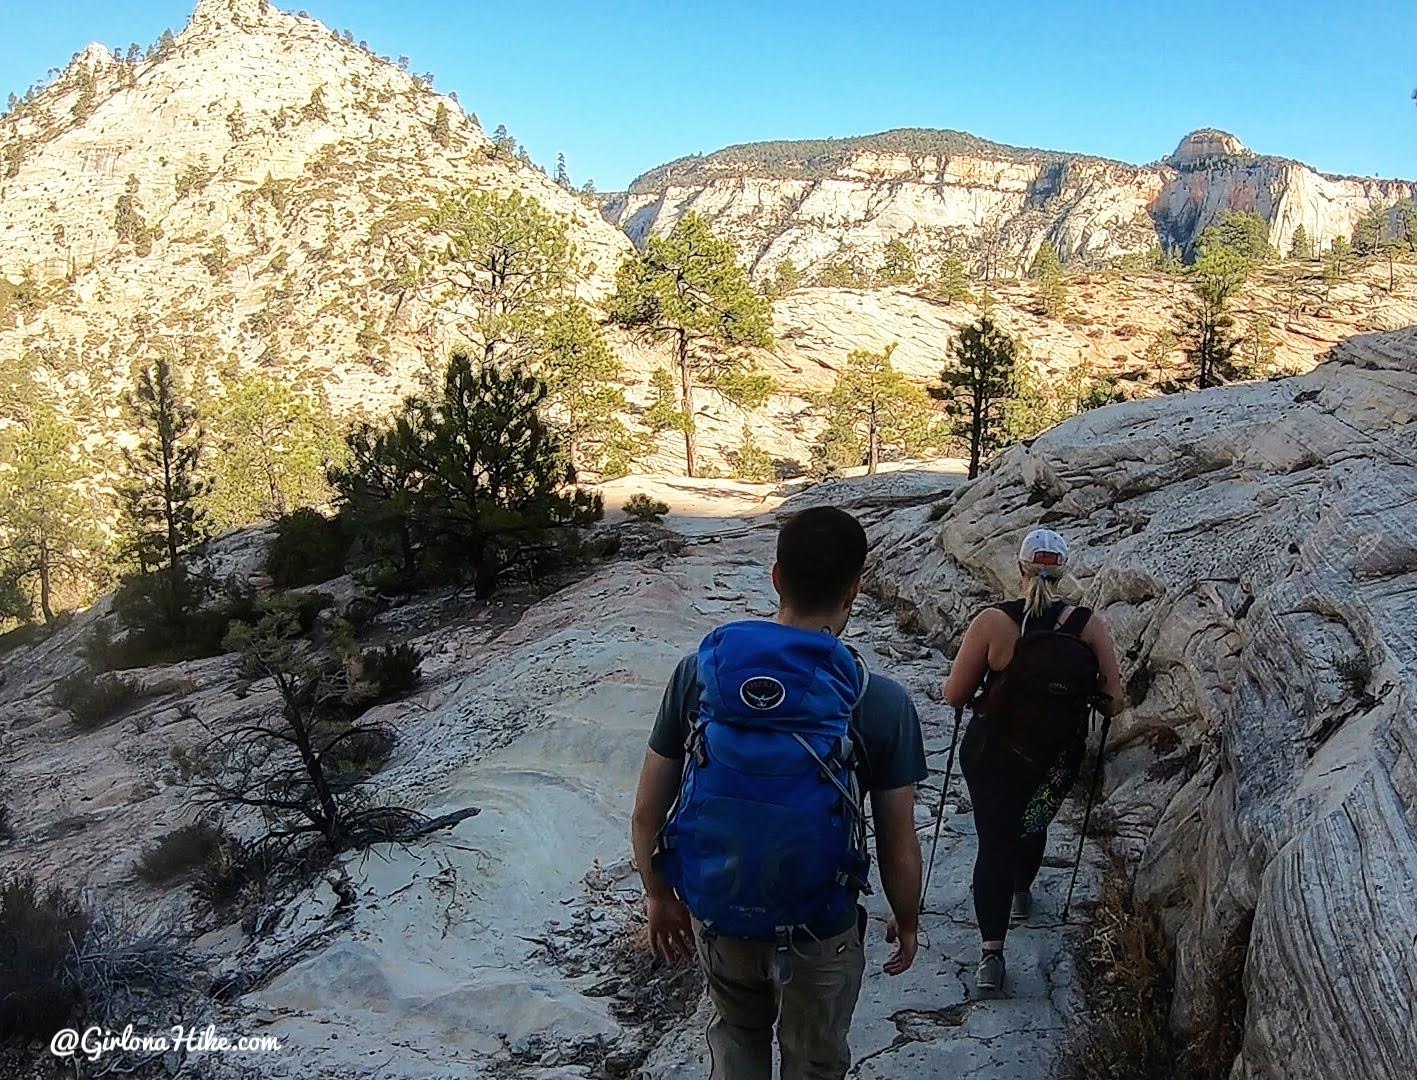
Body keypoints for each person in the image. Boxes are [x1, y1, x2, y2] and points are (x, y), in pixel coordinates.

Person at [630, 505, 926, 1080]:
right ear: (854, 591)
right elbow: (898, 842)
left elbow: (648, 811)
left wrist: (659, 894)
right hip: (822, 923)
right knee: (814, 1061)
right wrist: (907, 917)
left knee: (738, 1036)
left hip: (719, 909)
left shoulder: (701, 675)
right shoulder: (879, 699)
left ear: (775, 577)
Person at [943, 527, 1124, 993]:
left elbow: (956, 694)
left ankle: (991, 956)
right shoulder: (1089, 625)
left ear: (1019, 567)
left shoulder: (993, 622)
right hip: (1056, 758)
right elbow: (1114, 702)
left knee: (994, 842)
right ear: (1063, 572)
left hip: (994, 753)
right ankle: (1022, 893)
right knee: (1033, 824)